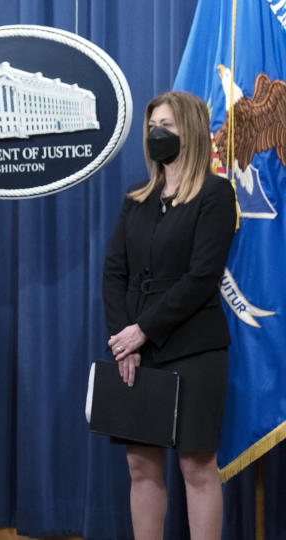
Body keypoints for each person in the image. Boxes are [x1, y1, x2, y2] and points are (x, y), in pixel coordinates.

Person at [102, 91, 236, 540]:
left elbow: (201, 279)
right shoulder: (136, 199)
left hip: (195, 347)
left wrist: (142, 331)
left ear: (192, 131)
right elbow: (114, 272)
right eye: (153, 125)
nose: (157, 133)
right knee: (140, 464)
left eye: (168, 125)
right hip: (136, 350)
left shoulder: (216, 195)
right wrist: (124, 340)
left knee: (196, 465)